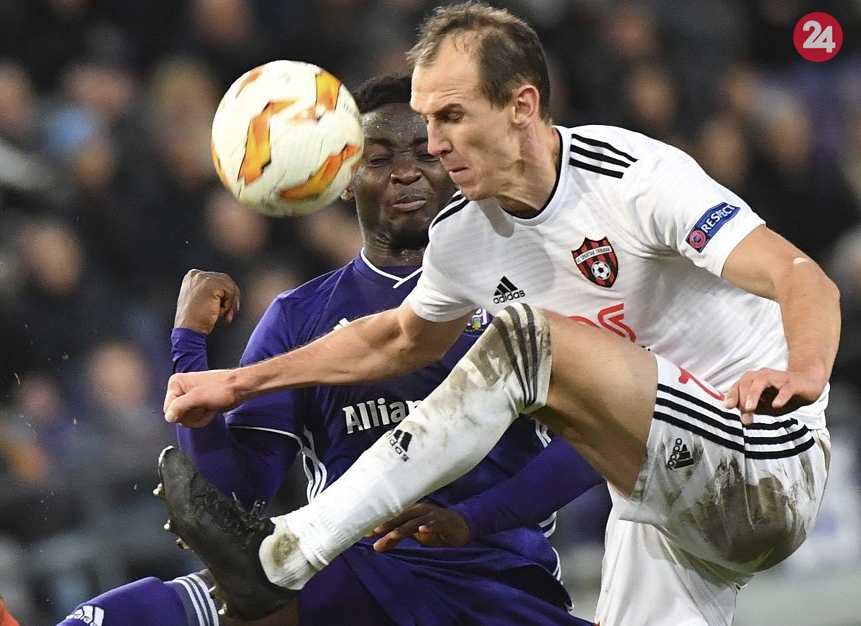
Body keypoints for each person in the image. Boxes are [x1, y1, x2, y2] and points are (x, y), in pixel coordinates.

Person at [157, 3, 839, 626]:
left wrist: (804, 371)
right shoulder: (463, 234)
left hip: (761, 458)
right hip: (661, 505)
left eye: (451, 116)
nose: (433, 142)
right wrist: (237, 383)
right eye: (427, 119)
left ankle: (287, 554)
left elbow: (799, 276)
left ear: (521, 105)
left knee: (527, 339)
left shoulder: (631, 177)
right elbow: (397, 340)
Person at [0, 73, 600, 626]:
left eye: (423, 153)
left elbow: (596, 444)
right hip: (354, 569)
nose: (405, 173)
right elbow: (237, 489)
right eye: (377, 159)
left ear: (452, 163)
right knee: (221, 593)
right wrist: (190, 350)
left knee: (234, 595)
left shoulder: (520, 290)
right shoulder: (299, 318)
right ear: (343, 177)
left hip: (498, 579)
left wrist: (472, 520)